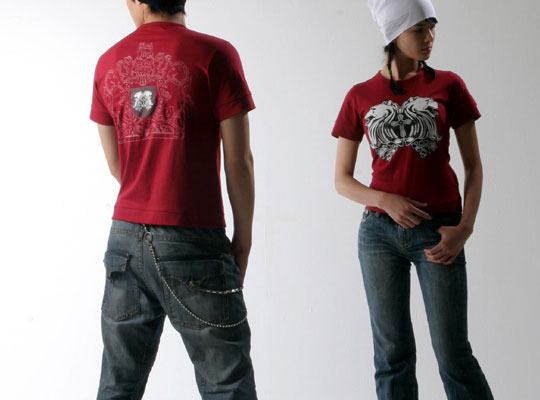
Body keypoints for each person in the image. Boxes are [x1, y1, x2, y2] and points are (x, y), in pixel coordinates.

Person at [90, 1, 257, 398]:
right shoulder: (215, 54)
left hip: (125, 241)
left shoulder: (108, 63)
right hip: (194, 237)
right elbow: (239, 161)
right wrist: (243, 241)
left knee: (118, 385)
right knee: (227, 385)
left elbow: (117, 165)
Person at [332, 0, 494, 398]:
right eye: (419, 29)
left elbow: (474, 168)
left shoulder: (449, 86)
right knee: (392, 356)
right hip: (378, 236)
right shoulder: (359, 95)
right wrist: (385, 200)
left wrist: (464, 228)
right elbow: (341, 180)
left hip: (439, 233)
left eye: (432, 27)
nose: (430, 37)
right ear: (393, 34)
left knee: (453, 355)